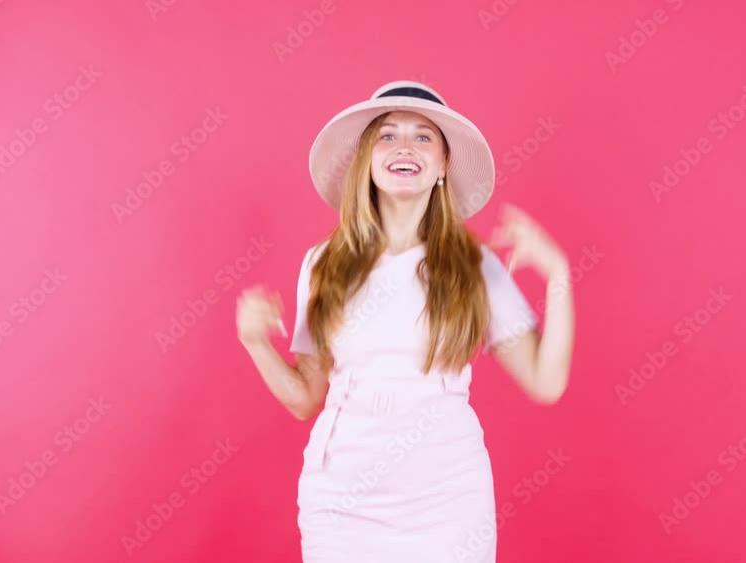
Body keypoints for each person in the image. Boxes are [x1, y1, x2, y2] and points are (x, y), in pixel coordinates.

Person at [236, 80, 574, 562]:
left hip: (448, 503)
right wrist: (255, 342)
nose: (405, 147)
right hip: (343, 505)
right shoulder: (323, 264)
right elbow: (306, 397)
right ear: (366, 159)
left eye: (423, 137)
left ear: (443, 164)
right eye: (388, 135)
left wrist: (558, 273)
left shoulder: (473, 265)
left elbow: (545, 381)